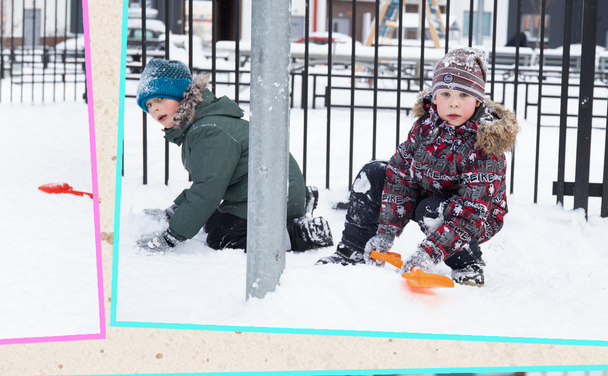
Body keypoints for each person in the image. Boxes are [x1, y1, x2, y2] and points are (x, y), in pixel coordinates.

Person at [318, 47, 517, 286]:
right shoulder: (426, 127)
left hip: (475, 214)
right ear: (433, 97)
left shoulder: (485, 143)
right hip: (428, 193)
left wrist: (429, 252)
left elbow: (471, 210)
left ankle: (468, 264)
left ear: (477, 101)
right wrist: (385, 232)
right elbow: (400, 176)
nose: (453, 104)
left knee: (431, 209)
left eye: (463, 96)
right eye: (445, 94)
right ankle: (351, 250)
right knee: (375, 174)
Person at [131, 59, 331, 255]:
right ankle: (299, 202)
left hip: (272, 195)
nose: (154, 108)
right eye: (148, 104)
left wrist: (172, 236)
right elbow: (207, 184)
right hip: (263, 191)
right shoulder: (202, 126)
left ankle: (300, 233)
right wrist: (175, 211)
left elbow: (207, 191)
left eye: (160, 99)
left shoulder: (208, 131)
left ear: (181, 96)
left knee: (222, 237)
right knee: (212, 221)